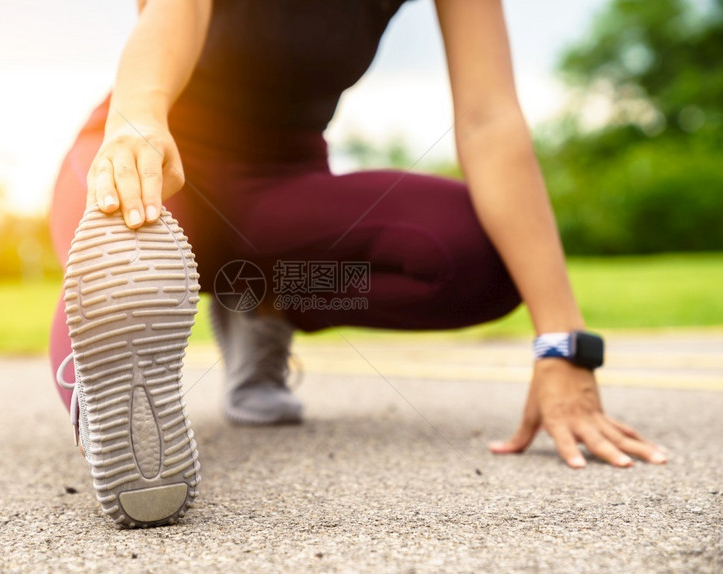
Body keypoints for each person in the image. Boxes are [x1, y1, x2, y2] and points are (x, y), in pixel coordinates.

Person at [48, 0, 667, 528]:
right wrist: (139, 119)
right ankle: (108, 417)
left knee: (483, 255)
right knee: (124, 253)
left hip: (282, 190)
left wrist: (561, 344)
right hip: (160, 157)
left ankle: (263, 297)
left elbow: (489, 117)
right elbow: (172, 11)